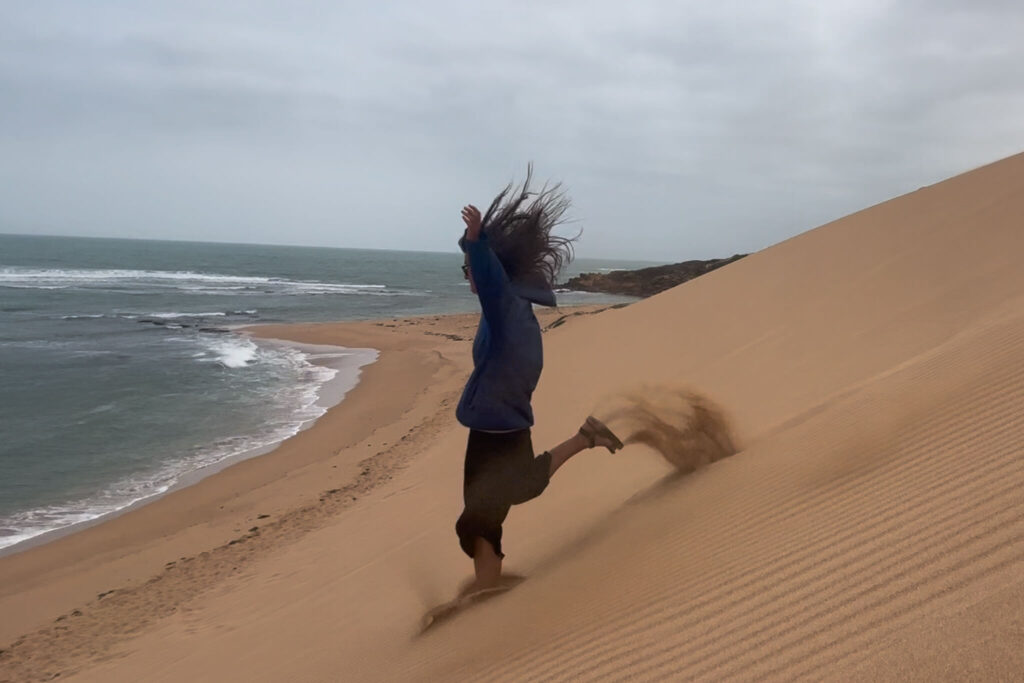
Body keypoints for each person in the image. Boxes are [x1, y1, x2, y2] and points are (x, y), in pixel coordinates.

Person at [455, 168, 624, 593]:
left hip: (498, 429)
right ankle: (586, 436)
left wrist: (475, 243)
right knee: (503, 501)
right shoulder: (515, 314)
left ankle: (488, 593)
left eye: (467, 271)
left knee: (481, 516)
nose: (468, 277)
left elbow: (491, 281)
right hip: (500, 425)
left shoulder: (505, 307)